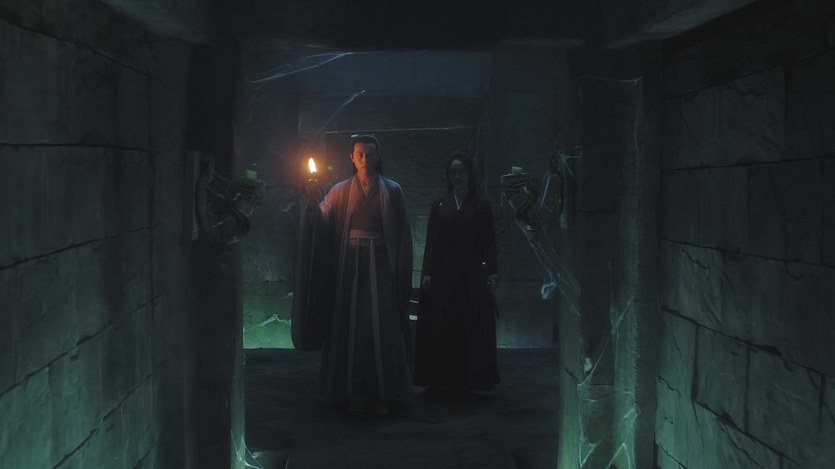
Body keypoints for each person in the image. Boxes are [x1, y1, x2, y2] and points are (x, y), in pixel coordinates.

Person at [301, 134, 414, 415]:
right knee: (348, 326)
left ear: (378, 156)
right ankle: (349, 390)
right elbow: (322, 220)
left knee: (381, 325)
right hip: (350, 266)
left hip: (381, 266)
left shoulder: (393, 190)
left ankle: (384, 392)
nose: (365, 159)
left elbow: (403, 233)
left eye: (370, 153)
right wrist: (313, 202)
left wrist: (401, 269)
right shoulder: (340, 190)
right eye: (360, 154)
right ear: (352, 158)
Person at [414, 150, 500, 397]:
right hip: (445, 274)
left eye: (461, 171)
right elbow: (432, 241)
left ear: (469, 174)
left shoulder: (481, 205)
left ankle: (471, 379)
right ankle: (444, 378)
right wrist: (427, 272)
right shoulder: (440, 205)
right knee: (445, 323)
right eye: (453, 172)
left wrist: (491, 271)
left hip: (471, 274)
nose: (457, 176)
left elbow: (489, 242)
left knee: (471, 324)